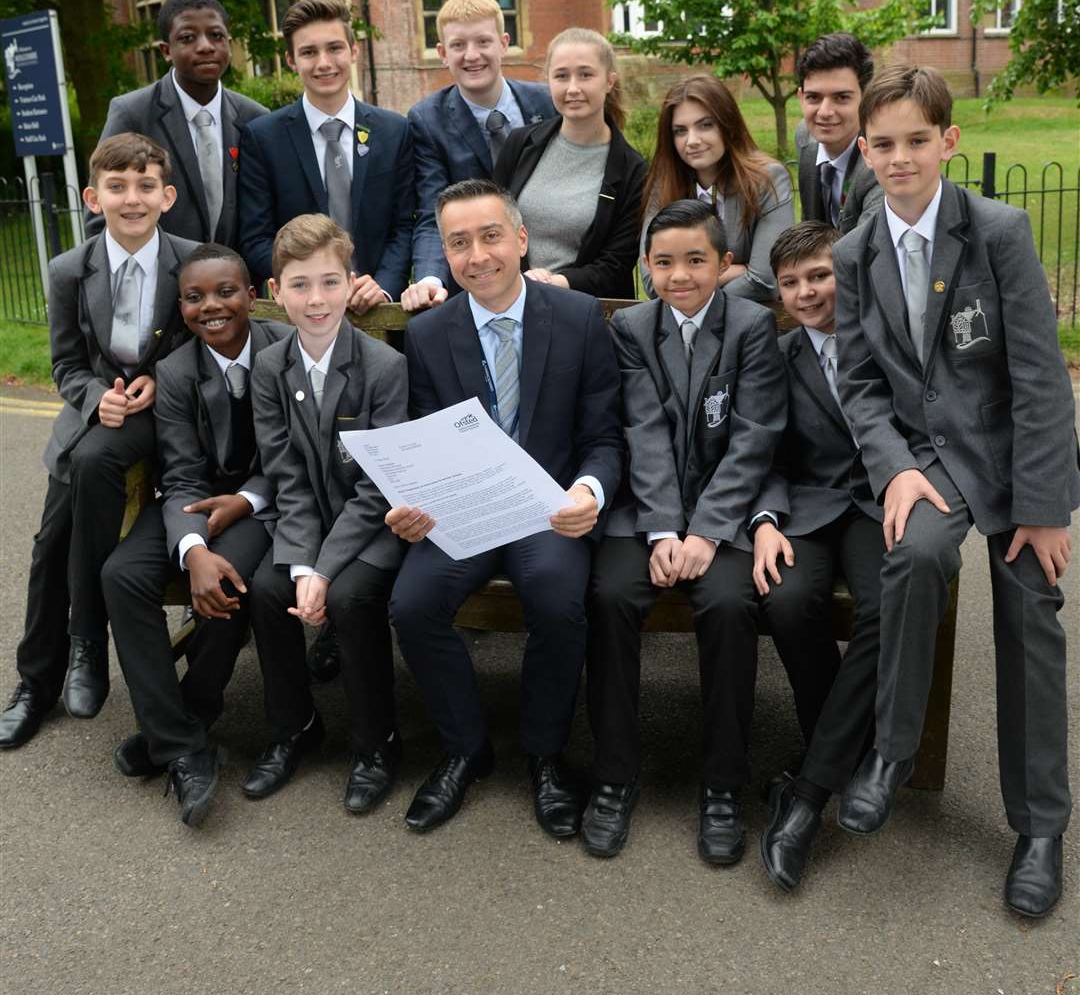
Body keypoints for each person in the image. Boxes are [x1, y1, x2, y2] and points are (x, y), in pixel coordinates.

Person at [831, 65, 1078, 918]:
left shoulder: (998, 231)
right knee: (917, 553)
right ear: (864, 151)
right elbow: (860, 383)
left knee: (1028, 604)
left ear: (948, 142)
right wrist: (894, 465)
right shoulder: (854, 249)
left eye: (916, 142)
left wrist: (1046, 508)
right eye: (884, 145)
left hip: (1009, 457)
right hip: (927, 459)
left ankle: (1040, 825)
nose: (900, 159)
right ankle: (890, 756)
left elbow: (1042, 378)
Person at [388, 180, 624, 836]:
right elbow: (423, 442)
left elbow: (605, 436)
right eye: (458, 243)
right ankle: (466, 748)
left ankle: (545, 753)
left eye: (491, 236)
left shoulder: (578, 320)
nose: (477, 255)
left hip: (547, 506)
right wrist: (410, 502)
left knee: (556, 597)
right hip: (462, 508)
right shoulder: (430, 334)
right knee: (412, 605)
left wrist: (589, 491)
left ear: (521, 240)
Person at [584, 199, 787, 863]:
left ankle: (723, 783)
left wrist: (704, 532)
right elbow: (641, 429)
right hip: (646, 512)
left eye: (696, 260)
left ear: (724, 264)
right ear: (646, 268)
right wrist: (663, 529)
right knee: (611, 596)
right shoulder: (633, 328)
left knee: (730, 605)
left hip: (722, 516)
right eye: (664, 262)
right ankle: (615, 774)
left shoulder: (753, 326)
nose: (680, 275)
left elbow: (755, 437)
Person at [0, 134, 196, 750]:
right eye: (117, 186)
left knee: (86, 470)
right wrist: (96, 398)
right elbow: (65, 366)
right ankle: (36, 684)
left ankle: (87, 637)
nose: (131, 199)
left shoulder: (193, 261)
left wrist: (159, 383)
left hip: (170, 418)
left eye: (145, 187)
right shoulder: (68, 270)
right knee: (49, 540)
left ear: (166, 197)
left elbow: (210, 338)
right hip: (97, 419)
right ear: (93, 196)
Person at [101, 245, 290, 826]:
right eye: (194, 296)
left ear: (252, 294)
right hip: (193, 503)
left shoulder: (286, 355)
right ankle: (183, 744)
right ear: (180, 305)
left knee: (228, 584)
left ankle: (190, 713)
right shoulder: (178, 370)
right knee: (121, 574)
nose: (211, 306)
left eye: (225, 292)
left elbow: (293, 457)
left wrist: (246, 500)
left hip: (264, 503)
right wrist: (193, 549)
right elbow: (180, 473)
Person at [244, 214, 409, 811]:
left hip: (373, 526)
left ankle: (376, 742)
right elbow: (286, 474)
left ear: (351, 282)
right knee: (267, 589)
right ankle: (294, 728)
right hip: (304, 520)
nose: (316, 300)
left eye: (330, 282)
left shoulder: (383, 367)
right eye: (300, 285)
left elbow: (377, 486)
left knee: (348, 597)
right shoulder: (270, 368)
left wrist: (325, 569)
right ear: (275, 292)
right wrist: (299, 565)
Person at [751, 221, 887, 892]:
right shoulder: (776, 358)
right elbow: (766, 453)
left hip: (875, 504)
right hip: (804, 504)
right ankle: (844, 751)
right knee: (785, 597)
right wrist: (767, 520)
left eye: (821, 275)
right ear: (777, 291)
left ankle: (805, 792)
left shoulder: (884, 340)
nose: (807, 292)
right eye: (792, 282)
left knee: (887, 609)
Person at [238, 0, 413, 304]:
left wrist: (384, 285)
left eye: (334, 48)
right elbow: (256, 237)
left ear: (354, 50)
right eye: (308, 52)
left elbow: (404, 226)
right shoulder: (263, 138)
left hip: (377, 306)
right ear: (291, 60)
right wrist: (310, 284)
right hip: (303, 309)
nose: (323, 63)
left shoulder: (393, 131)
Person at [402, 0, 555, 311]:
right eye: (458, 45)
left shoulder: (548, 103)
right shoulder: (427, 119)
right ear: (443, 52)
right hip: (477, 282)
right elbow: (433, 212)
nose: (472, 55)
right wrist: (431, 279)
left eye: (483, 42)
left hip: (549, 276)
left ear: (503, 43)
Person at [93, 0, 267, 247]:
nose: (206, 46)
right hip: (160, 281)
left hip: (237, 280)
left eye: (216, 36)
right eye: (188, 37)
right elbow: (101, 214)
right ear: (166, 51)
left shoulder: (255, 119)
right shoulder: (133, 114)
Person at [492, 27, 646, 300]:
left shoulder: (633, 171)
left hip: (587, 311)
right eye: (561, 76)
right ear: (549, 82)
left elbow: (616, 264)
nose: (573, 88)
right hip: (512, 302)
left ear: (609, 81)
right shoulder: (519, 145)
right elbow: (494, 223)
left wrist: (556, 283)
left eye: (585, 75)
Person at [639, 75, 793, 303]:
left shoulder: (767, 179)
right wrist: (738, 270)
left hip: (752, 327)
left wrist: (692, 298)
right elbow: (653, 282)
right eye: (680, 131)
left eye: (705, 125)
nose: (692, 140)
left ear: (727, 125)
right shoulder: (663, 186)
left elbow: (764, 281)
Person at [795, 32, 882, 234]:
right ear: (800, 98)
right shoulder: (805, 136)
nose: (824, 113)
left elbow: (863, 253)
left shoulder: (879, 164)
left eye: (841, 97)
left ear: (866, 98)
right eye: (813, 97)